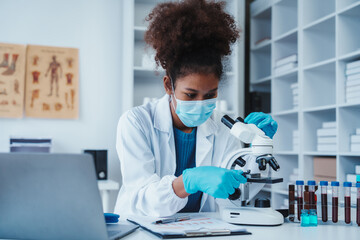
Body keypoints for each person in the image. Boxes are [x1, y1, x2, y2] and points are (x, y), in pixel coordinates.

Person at [114, 0, 278, 218]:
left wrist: (257, 151)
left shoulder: (222, 128)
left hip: (202, 228)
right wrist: (190, 180)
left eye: (210, 95)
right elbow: (142, 198)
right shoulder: (136, 122)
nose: (201, 103)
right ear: (168, 86)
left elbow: (236, 193)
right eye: (190, 95)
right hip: (144, 227)